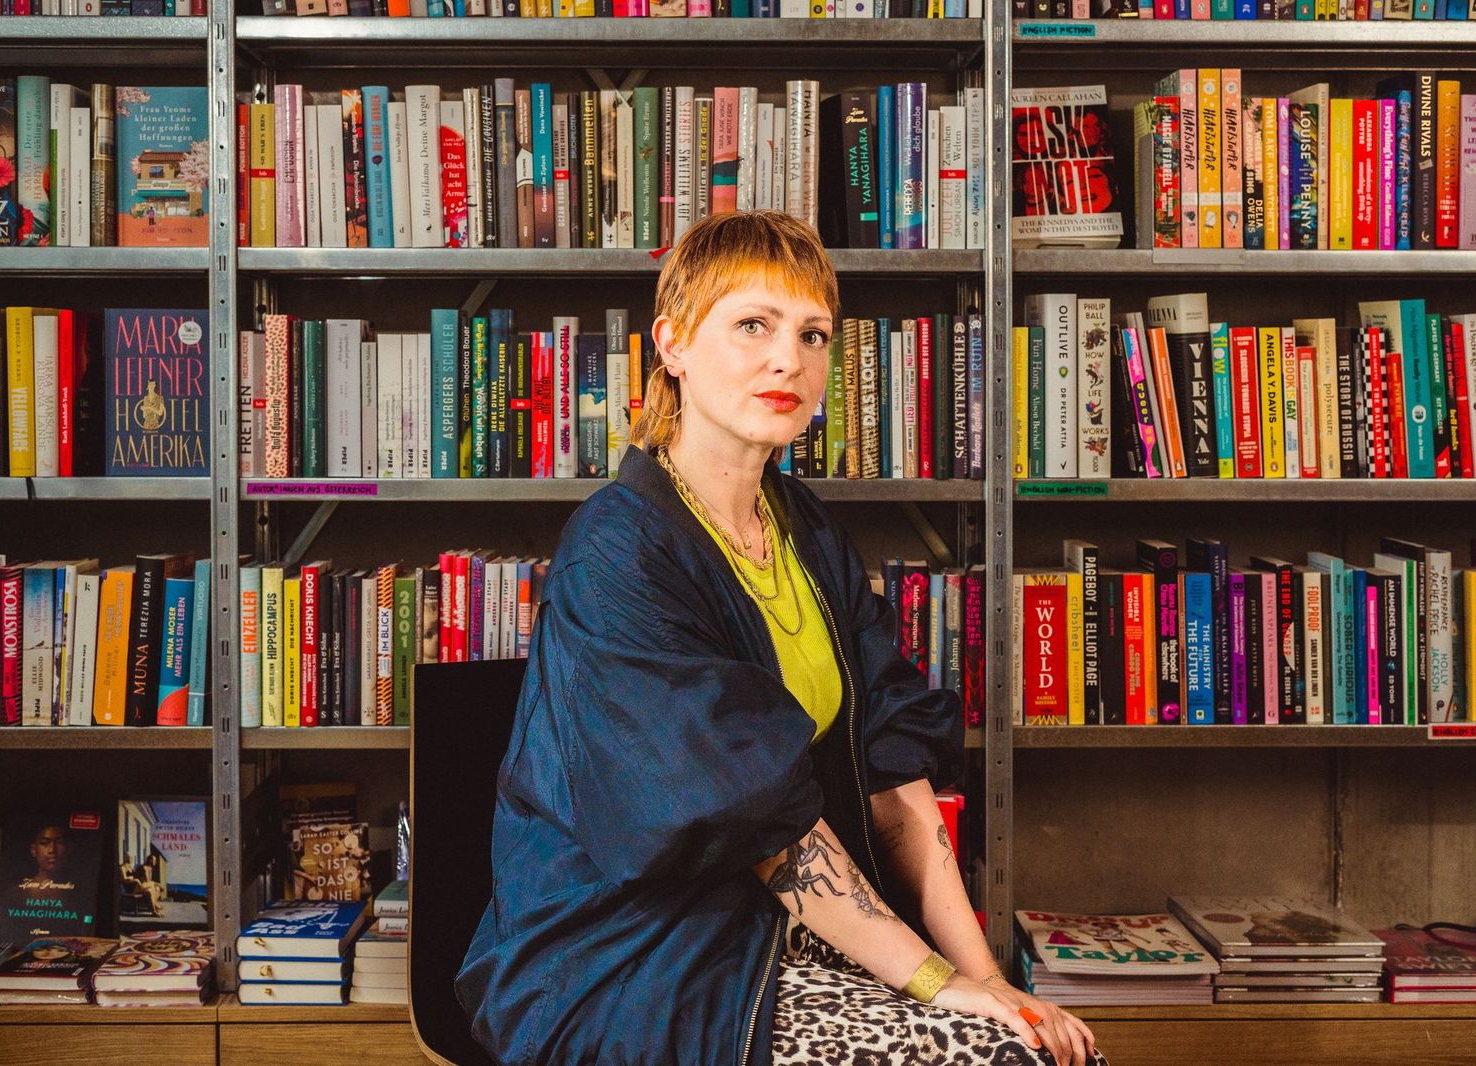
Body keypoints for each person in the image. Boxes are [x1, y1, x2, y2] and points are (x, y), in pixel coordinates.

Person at [457, 210, 1101, 1066]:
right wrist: (936, 984)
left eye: (812, 334)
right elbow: (754, 821)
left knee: (1044, 1045)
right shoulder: (617, 552)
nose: (788, 360)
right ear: (674, 345)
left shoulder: (805, 527)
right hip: (637, 960)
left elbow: (892, 772)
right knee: (1001, 1059)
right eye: (753, 325)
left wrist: (984, 978)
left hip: (792, 931)